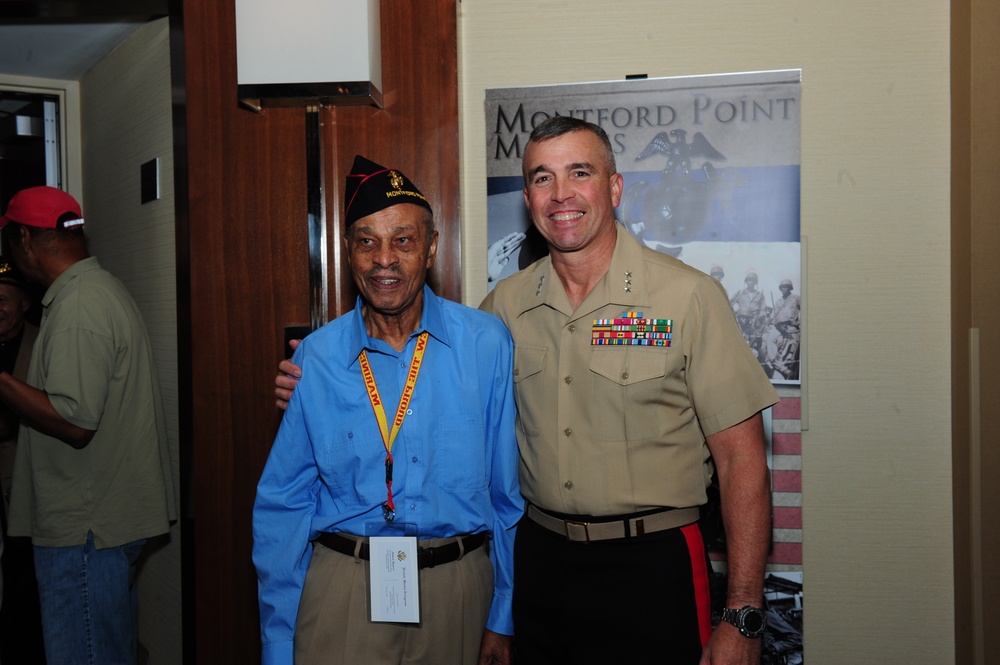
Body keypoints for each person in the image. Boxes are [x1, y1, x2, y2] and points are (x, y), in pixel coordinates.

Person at [277, 120, 778, 664]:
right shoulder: (503, 311)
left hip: (651, 564)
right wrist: (312, 384)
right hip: (542, 564)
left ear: (614, 187)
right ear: (528, 198)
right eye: (543, 178)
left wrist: (743, 615)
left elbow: (742, 460)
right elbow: (427, 381)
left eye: (579, 173)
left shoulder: (688, 298)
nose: (561, 194)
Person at [255, 156, 522, 665]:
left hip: (459, 590)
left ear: (432, 248)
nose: (384, 260)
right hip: (345, 590)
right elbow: (283, 507)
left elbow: (506, 497)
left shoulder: (485, 345)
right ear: (349, 252)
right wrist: (277, 639)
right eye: (366, 241)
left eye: (403, 240)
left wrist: (502, 614)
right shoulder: (317, 358)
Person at [0, 186, 176, 665]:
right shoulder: (93, 290)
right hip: (99, 525)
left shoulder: (79, 306)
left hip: (85, 529)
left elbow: (74, 422)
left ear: (24, 239)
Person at [0, 259, 45, 664]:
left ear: (25, 304)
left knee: (21, 580)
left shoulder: (45, 344)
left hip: (24, 487)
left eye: (2, 299)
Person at [763, 278, 801, 380]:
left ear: (790, 288)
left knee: (794, 352)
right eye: (782, 287)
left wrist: (798, 323)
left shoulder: (796, 298)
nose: (784, 289)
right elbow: (773, 315)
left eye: (786, 287)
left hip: (793, 329)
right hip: (779, 328)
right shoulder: (779, 301)